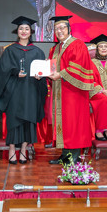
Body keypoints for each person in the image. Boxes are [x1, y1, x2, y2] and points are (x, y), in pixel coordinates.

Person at [0, 16, 48, 164]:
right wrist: (15, 72)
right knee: (14, 120)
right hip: (14, 90)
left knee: (29, 121)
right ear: (17, 32)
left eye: (27, 29)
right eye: (21, 29)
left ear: (31, 32)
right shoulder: (10, 50)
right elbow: (2, 71)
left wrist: (40, 76)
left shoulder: (38, 52)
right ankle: (12, 148)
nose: (24, 31)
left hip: (31, 90)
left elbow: (44, 74)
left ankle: (24, 149)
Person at [44, 16, 94, 164]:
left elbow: (77, 67)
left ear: (69, 29)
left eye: (62, 28)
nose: (59, 31)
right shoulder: (55, 48)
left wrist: (60, 74)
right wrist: (46, 68)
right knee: (63, 123)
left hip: (74, 91)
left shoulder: (78, 44)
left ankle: (75, 156)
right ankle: (65, 155)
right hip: (60, 91)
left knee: (73, 123)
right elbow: (53, 66)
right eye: (56, 29)